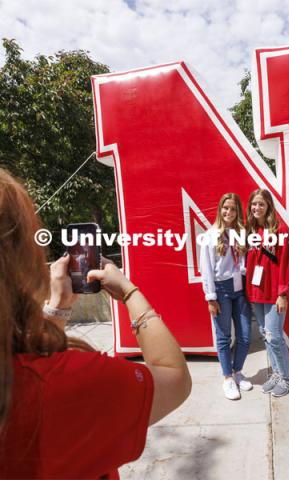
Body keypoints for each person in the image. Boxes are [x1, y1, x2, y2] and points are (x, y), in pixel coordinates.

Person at [0, 168, 191, 479]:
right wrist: (130, 292)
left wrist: (58, 310)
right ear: (19, 259)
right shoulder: (71, 384)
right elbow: (174, 378)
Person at [245, 189, 289, 397]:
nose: (256, 208)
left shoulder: (282, 231)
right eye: (253, 204)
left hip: (275, 293)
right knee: (265, 335)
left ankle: (286, 378)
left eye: (261, 204)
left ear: (268, 206)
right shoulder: (251, 232)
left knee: (275, 336)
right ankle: (276, 373)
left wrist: (283, 293)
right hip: (257, 292)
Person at [200, 193, 252, 400]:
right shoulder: (210, 235)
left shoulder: (241, 233)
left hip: (240, 289)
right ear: (220, 209)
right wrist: (210, 297)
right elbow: (207, 269)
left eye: (232, 208)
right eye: (225, 208)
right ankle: (227, 378)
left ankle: (238, 371)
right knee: (223, 337)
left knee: (246, 336)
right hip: (220, 290)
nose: (228, 212)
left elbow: (244, 262)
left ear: (237, 211)